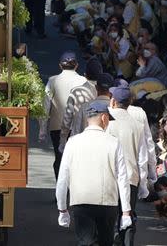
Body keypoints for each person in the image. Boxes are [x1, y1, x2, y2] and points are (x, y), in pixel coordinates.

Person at [56, 101, 132, 246]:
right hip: (107, 202)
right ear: (104, 118)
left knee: (85, 242)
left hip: (80, 200)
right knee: (105, 242)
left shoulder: (72, 142)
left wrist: (62, 208)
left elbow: (63, 178)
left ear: (87, 119)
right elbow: (122, 178)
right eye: (108, 119)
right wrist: (126, 211)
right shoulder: (113, 142)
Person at [106, 86, 147, 246]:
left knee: (108, 216)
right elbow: (142, 158)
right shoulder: (138, 125)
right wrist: (143, 184)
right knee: (128, 214)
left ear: (113, 101)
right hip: (131, 177)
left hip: (108, 175)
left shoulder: (105, 120)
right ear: (130, 102)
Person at [40, 51, 88, 178]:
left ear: (60, 66)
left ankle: (60, 192)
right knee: (77, 159)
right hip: (79, 127)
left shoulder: (53, 80)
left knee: (60, 158)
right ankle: (73, 191)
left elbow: (46, 105)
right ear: (76, 65)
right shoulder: (83, 81)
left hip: (57, 126)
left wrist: (42, 130)